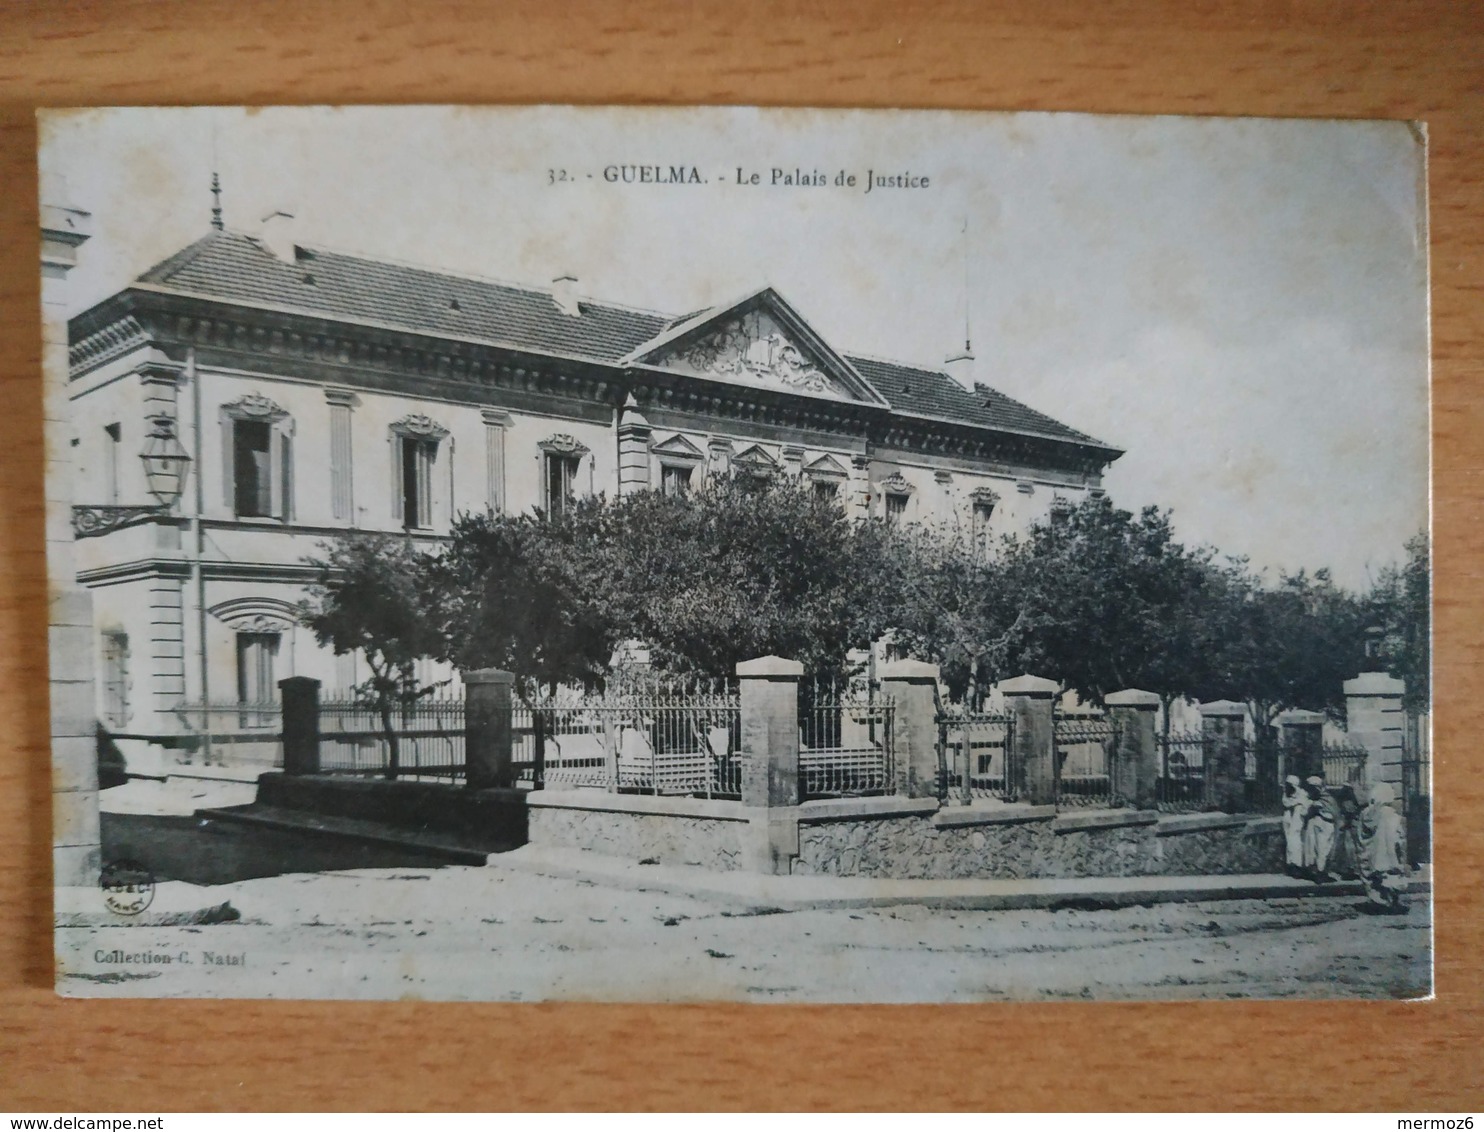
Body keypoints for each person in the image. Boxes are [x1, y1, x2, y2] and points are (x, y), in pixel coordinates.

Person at [1359, 781, 1409, 911]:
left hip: (1372, 852)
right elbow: (1398, 834)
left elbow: (1361, 834)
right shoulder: (1390, 814)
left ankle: (1378, 902)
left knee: (1374, 876)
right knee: (1391, 875)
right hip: (1388, 852)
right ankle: (1392, 902)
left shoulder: (1365, 813)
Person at [1302, 775, 1337, 881]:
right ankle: (1320, 873)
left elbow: (1333, 810)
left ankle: (1322, 871)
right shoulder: (1314, 801)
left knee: (1327, 848)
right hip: (1321, 823)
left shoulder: (1326, 798)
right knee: (1321, 849)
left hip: (1328, 824)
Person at [1281, 775, 1306, 877]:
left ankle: (1297, 865)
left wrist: (1296, 803)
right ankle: (1290, 864)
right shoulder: (1286, 794)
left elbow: (1304, 806)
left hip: (1297, 819)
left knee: (1296, 843)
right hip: (1288, 818)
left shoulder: (1302, 794)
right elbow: (1286, 803)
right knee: (1289, 842)